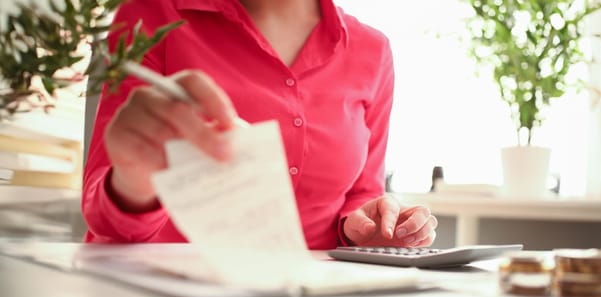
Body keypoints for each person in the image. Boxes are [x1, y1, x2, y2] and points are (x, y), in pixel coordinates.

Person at [82, 0, 438, 249]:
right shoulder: (151, 14)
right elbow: (105, 219)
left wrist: (373, 226)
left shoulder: (373, 50)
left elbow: (363, 193)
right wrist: (134, 182)